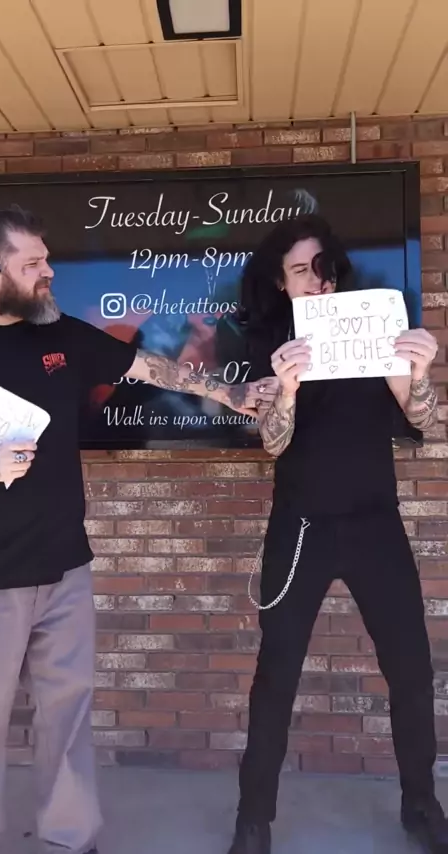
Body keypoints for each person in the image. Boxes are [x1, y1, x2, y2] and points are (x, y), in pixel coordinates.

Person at [0, 205, 276, 854]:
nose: (49, 272)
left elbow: (150, 369)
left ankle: (70, 839)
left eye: (48, 259)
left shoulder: (61, 335)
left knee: (68, 720)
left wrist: (233, 396)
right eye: (33, 263)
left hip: (64, 567)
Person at [226, 214, 445, 854]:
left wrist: (420, 371)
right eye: (300, 270)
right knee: (277, 674)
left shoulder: (373, 324)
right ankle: (253, 819)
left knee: (411, 667)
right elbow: (272, 444)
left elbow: (422, 418)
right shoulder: (269, 341)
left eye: (322, 267)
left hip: (375, 521)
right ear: (281, 281)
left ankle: (421, 803)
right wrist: (287, 389)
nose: (315, 280)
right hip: (300, 526)